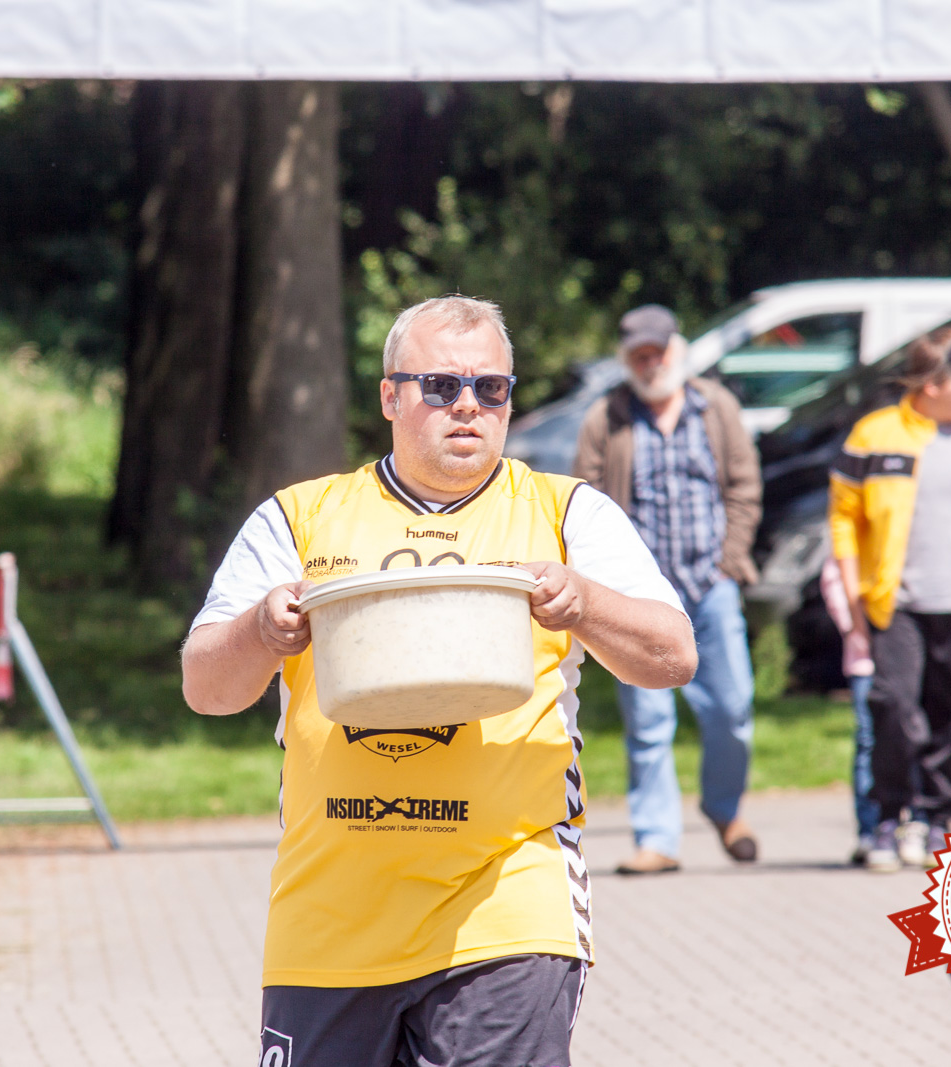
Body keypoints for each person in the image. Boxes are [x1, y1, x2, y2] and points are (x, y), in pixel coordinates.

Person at [182, 295, 696, 1067]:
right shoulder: (301, 517)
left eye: (491, 388)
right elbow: (206, 688)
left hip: (506, 910)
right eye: (442, 385)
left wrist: (585, 602)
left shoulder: (566, 514)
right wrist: (261, 627)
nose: (468, 406)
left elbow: (673, 655)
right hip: (329, 922)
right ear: (390, 396)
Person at [573, 303, 763, 875]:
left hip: (710, 584)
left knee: (732, 708)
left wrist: (730, 562)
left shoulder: (716, 407)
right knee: (648, 720)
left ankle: (724, 808)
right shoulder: (607, 417)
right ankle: (656, 838)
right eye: (640, 356)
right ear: (626, 360)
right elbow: (585, 500)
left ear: (676, 352)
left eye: (658, 353)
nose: (650, 363)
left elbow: (744, 486)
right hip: (641, 596)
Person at [828, 328, 951, 874]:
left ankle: (938, 820)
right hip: (897, 603)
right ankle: (888, 817)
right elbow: (843, 519)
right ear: (933, 384)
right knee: (893, 708)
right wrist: (853, 595)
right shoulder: (875, 434)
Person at [819, 555, 878, 864]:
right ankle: (869, 830)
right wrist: (854, 624)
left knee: (913, 736)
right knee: (868, 740)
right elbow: (834, 574)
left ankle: (914, 822)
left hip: (912, 652)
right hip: (864, 657)